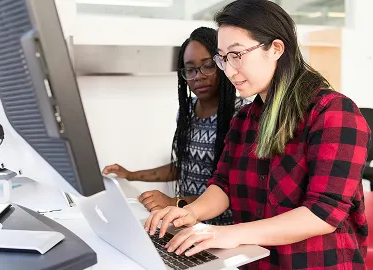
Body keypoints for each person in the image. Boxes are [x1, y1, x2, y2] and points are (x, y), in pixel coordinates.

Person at [144, 1, 371, 269]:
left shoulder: (333, 112)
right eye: (223, 58)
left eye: (237, 54)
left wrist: (228, 233)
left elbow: (322, 213)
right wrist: (189, 212)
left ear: (276, 48)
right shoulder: (244, 119)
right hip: (255, 262)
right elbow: (223, 184)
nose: (228, 70)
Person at [103, 27, 248, 226]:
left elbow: (232, 191)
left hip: (222, 229)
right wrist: (130, 174)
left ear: (222, 64)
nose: (198, 76)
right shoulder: (187, 111)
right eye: (190, 69)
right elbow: (184, 166)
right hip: (188, 223)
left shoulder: (242, 116)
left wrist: (174, 203)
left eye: (207, 66)